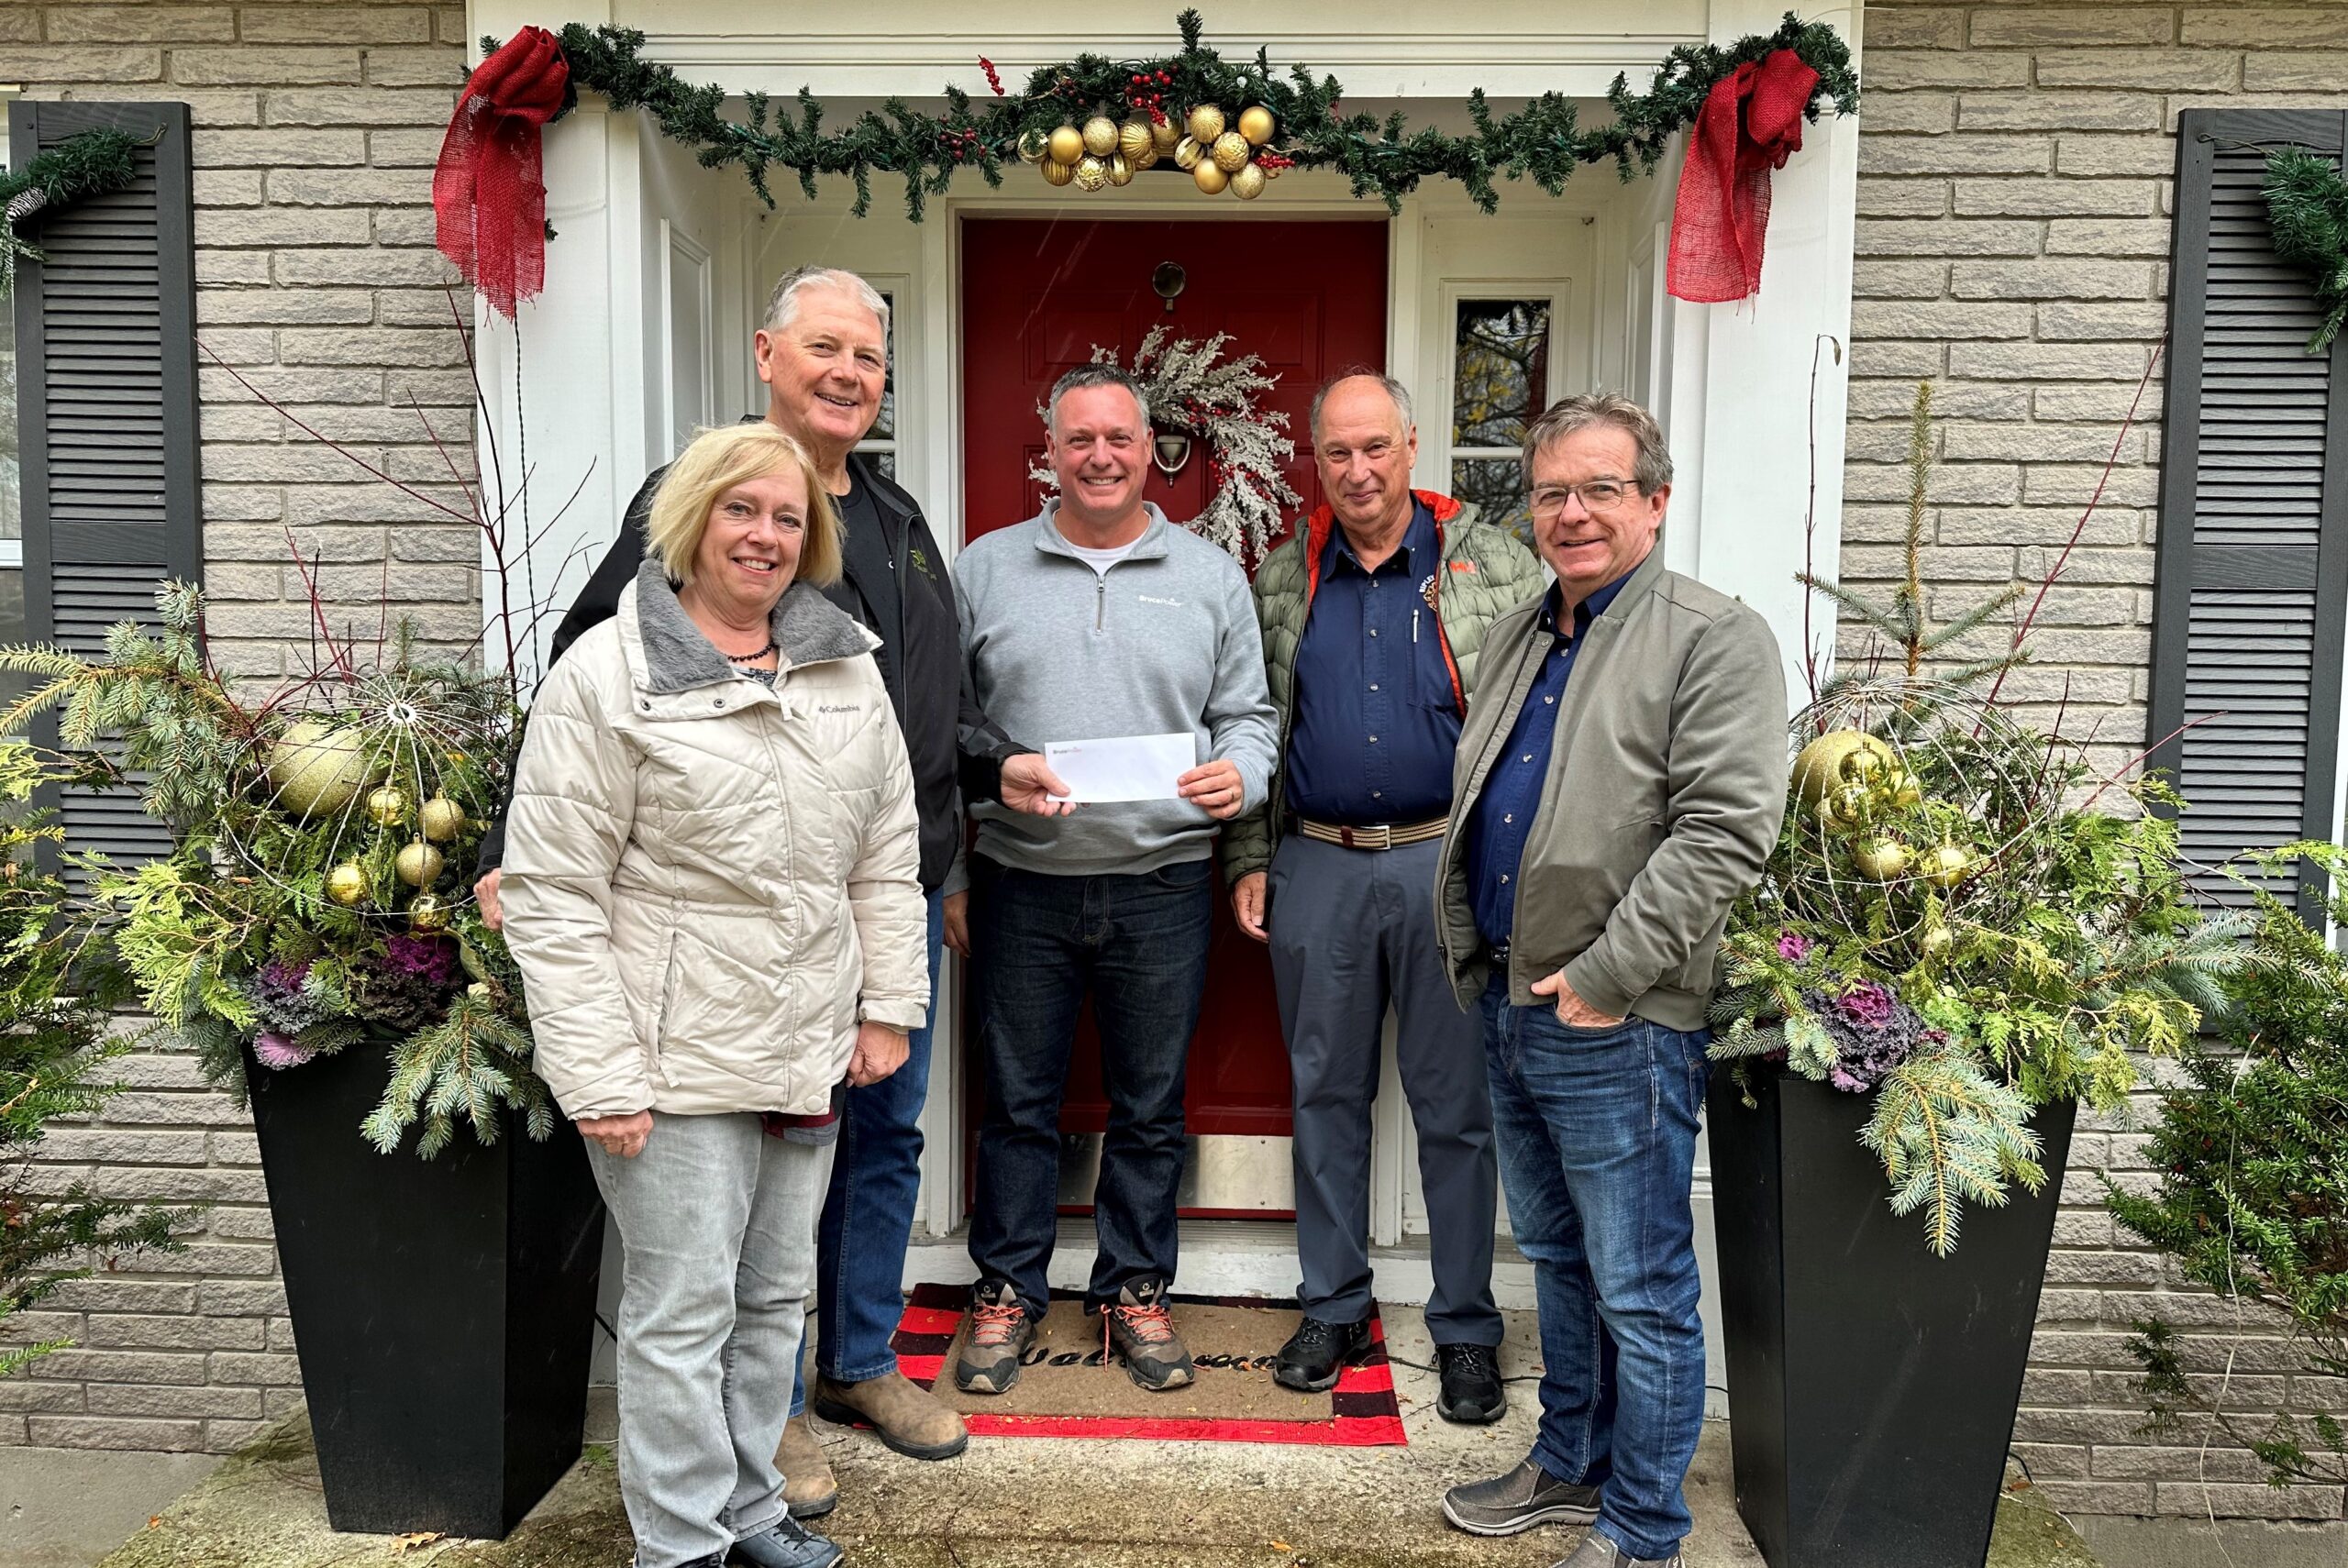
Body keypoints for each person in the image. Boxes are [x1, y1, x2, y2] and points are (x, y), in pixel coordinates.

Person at [477, 268, 1068, 1515]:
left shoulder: (897, 522)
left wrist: (993, 767)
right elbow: (585, 677)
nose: (850, 372)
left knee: (878, 1141)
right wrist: (504, 845)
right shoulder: (687, 503)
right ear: (768, 354)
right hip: (723, 934)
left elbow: (931, 706)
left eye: (869, 354)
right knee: (739, 1204)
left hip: (881, 897)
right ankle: (776, 1413)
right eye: (826, 348)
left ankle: (856, 1363)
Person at [503, 421, 925, 1568]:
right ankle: (679, 1544)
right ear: (691, 519)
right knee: (682, 1316)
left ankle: (747, 1514)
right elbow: (551, 892)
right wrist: (597, 1075)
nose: (767, 536)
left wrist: (886, 1006)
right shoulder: (608, 672)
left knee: (771, 1304)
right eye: (743, 510)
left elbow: (886, 855)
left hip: (804, 1045)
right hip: (669, 1055)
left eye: (789, 517)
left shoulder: (846, 668)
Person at [1434, 394, 1789, 1568]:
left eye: (1597, 489)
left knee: (1640, 1290)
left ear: (1654, 501)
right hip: (1513, 1001)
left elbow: (1724, 832)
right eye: (1549, 493)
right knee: (1559, 1263)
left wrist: (1604, 975)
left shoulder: (1712, 637)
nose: (1571, 513)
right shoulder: (1525, 632)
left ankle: (1643, 1527)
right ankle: (1571, 1467)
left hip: (1619, 1015)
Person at [948, 365, 1279, 1397]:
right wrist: (954, 873)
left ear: (1152, 453)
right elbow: (945, 737)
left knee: (1148, 1107)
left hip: (1163, 882)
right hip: (1019, 882)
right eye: (1077, 439)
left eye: (1119, 440)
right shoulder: (984, 571)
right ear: (1045, 453)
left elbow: (1251, 718)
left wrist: (1247, 774)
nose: (1099, 457)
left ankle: (1134, 1289)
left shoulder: (1211, 574)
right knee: (1015, 1103)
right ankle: (1005, 1290)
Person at [1220, 372, 1540, 1422]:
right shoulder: (1282, 578)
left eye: (1375, 448)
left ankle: (1462, 1327)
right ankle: (1335, 1304)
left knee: (1456, 1110)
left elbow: (1546, 717)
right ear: (1318, 463)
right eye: (1337, 454)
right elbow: (1249, 723)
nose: (1358, 472)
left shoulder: (1490, 567)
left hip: (1444, 865)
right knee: (1324, 1095)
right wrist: (1248, 856)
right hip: (1314, 862)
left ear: (1411, 444)